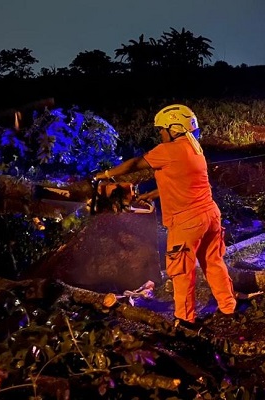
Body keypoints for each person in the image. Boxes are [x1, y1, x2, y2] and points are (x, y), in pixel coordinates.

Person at [94, 104, 237, 326]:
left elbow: (134, 163)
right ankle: (228, 308)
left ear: (174, 128)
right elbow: (184, 180)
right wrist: (154, 193)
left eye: (161, 129)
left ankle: (185, 319)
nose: (160, 134)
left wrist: (104, 175)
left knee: (181, 272)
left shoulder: (168, 150)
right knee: (214, 262)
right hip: (210, 215)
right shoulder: (195, 148)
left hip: (186, 222)